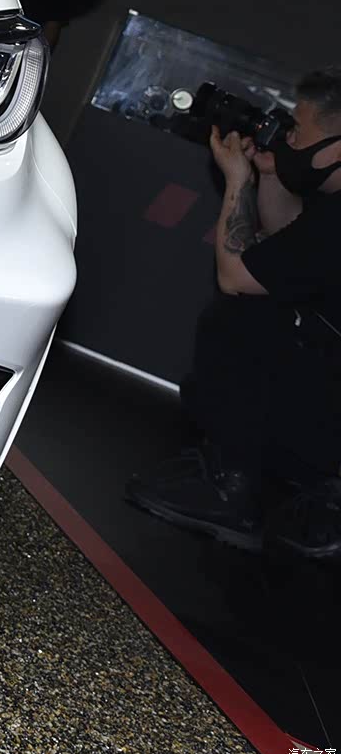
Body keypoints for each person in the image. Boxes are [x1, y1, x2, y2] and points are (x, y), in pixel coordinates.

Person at [126, 65, 341, 558]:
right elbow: (285, 250)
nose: (289, 137)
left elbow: (238, 276)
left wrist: (237, 179)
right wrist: (269, 175)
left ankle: (231, 489)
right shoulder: (331, 209)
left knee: (243, 321)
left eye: (298, 129)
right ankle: (311, 488)